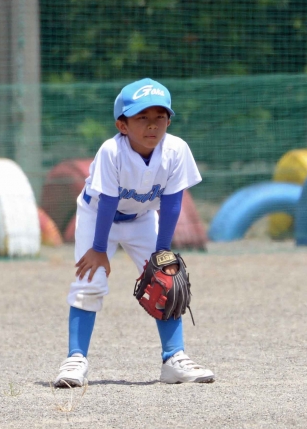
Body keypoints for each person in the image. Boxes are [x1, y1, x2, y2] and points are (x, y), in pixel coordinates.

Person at [53, 78, 214, 386]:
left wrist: (161, 253)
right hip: (97, 217)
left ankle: (174, 359)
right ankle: (75, 359)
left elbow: (172, 204)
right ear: (122, 125)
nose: (152, 124)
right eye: (142, 117)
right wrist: (99, 249)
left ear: (169, 121)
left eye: (160, 116)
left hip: (141, 219)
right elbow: (107, 202)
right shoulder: (112, 151)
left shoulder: (176, 150)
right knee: (89, 283)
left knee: (167, 281)